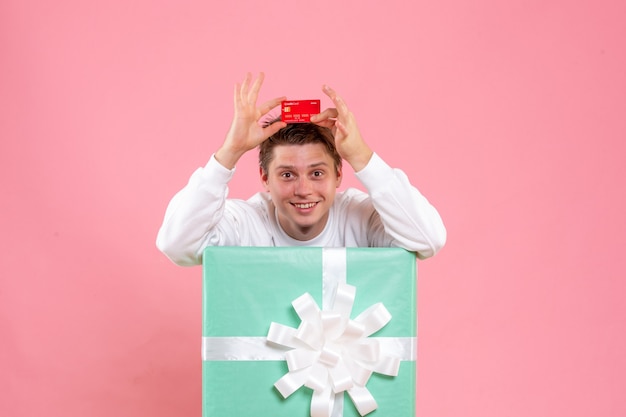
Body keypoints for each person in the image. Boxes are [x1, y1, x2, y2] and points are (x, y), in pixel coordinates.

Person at [156, 73, 446, 266]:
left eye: (317, 173)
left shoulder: (360, 217)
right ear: (264, 179)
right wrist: (228, 154)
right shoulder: (246, 222)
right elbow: (177, 245)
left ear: (339, 176)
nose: (303, 189)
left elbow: (428, 239)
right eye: (287, 174)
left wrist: (362, 157)